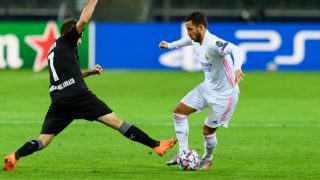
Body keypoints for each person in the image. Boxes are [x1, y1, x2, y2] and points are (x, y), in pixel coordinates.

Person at [3, 0, 176, 172]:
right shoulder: (67, 40)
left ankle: (15, 156)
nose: (79, 41)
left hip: (59, 102)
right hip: (78, 96)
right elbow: (84, 20)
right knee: (116, 122)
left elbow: (70, 74)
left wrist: (90, 72)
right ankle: (156, 145)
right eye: (80, 36)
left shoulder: (53, 50)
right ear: (72, 33)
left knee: (43, 141)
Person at [159, 12, 244, 170]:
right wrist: (170, 45)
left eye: (190, 29)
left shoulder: (213, 43)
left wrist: (237, 68)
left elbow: (236, 50)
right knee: (179, 112)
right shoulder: (196, 39)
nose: (188, 33)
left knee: (207, 130)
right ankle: (183, 153)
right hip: (207, 88)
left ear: (200, 28)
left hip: (225, 97)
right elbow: (187, 41)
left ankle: (207, 158)